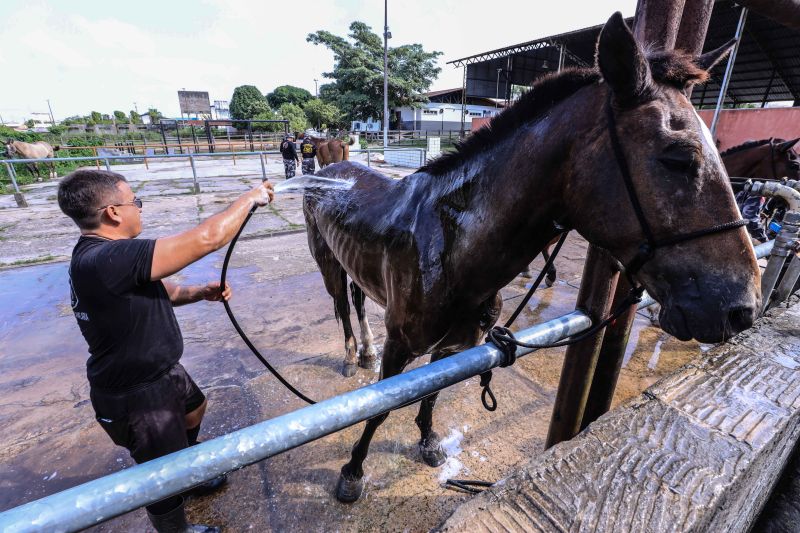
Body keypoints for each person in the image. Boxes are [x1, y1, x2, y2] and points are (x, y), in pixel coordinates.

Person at [57, 169, 273, 533]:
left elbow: (163, 291)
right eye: (134, 202)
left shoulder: (103, 258)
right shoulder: (111, 258)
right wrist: (250, 198)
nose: (139, 209)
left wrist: (198, 292)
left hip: (161, 372)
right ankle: (177, 525)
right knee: (161, 479)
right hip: (136, 393)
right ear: (113, 212)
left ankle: (186, 472)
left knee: (195, 408)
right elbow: (209, 237)